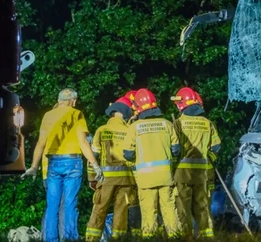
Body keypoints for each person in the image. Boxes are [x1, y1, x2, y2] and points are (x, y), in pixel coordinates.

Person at [21, 88, 103, 242]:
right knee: (69, 203)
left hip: (53, 163)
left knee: (52, 204)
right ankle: (70, 238)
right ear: (73, 101)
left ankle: (50, 239)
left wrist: (33, 166)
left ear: (58, 101)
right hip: (72, 162)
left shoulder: (48, 116)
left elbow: (40, 143)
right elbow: (84, 143)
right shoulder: (76, 114)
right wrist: (95, 164)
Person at [123, 88, 181, 238]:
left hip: (145, 179)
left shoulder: (134, 127)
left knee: (149, 212)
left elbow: (128, 154)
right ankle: (176, 238)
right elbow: (176, 150)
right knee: (169, 209)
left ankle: (149, 238)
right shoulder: (167, 124)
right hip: (166, 177)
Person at [85, 91, 140, 241]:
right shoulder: (130, 130)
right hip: (126, 181)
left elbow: (93, 157)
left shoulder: (102, 130)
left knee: (99, 210)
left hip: (105, 180)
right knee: (121, 213)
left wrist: (91, 178)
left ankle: (91, 239)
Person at [171, 87, 221, 238]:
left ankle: (186, 237)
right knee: (202, 207)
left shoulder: (178, 124)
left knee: (183, 208)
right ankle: (208, 236)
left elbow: (174, 149)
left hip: (182, 174)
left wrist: (172, 168)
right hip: (202, 174)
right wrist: (208, 160)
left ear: (181, 105)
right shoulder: (208, 123)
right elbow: (216, 147)